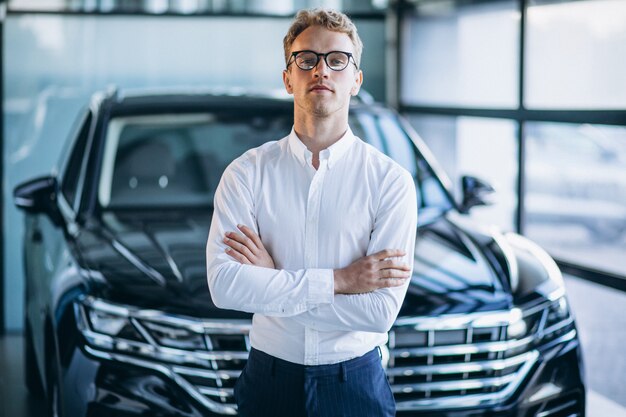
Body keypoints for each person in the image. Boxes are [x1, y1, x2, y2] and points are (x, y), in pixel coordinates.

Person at [205, 7, 417, 417]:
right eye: (307, 59)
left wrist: (272, 282)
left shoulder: (390, 181)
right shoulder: (246, 173)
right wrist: (340, 281)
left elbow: (378, 313)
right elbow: (225, 286)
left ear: (356, 80)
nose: (322, 70)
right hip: (268, 382)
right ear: (288, 77)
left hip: (355, 385)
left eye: (337, 60)